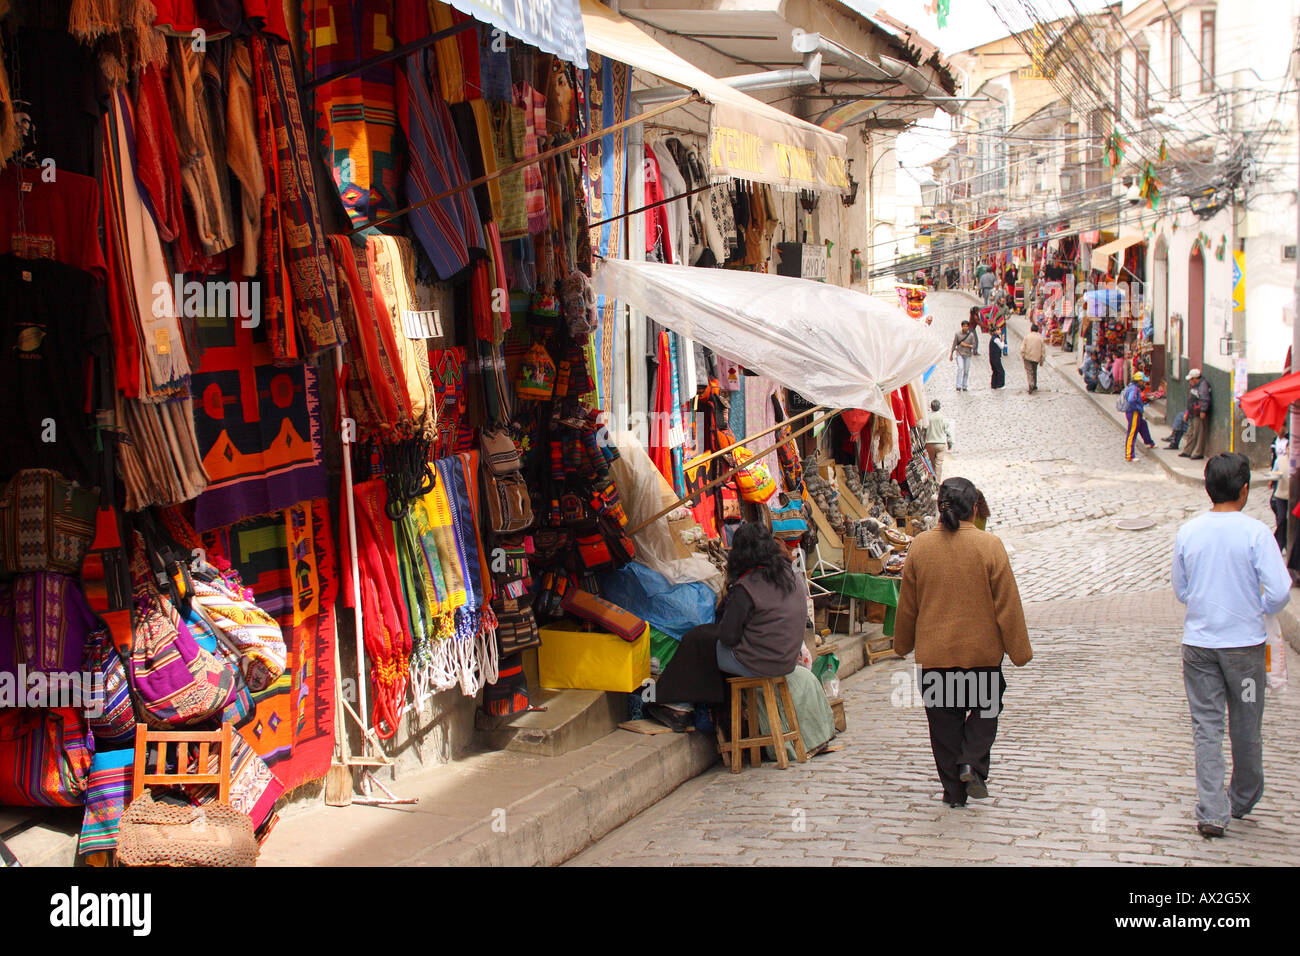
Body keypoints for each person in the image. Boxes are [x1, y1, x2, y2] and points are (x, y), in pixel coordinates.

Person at [894, 478, 1032, 808]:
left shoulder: (921, 547)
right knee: (986, 710)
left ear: (940, 508)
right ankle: (971, 763)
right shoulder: (990, 546)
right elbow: (1008, 604)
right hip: (981, 655)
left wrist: (902, 644)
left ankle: (954, 793)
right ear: (974, 509)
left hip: (937, 659)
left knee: (944, 728)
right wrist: (1019, 651)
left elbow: (908, 603)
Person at [1172, 453, 1290, 838]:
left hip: (1200, 647)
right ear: (1244, 491)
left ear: (1208, 490)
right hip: (1245, 650)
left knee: (1206, 726)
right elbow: (1279, 591)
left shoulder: (1189, 532)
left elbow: (1182, 589)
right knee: (1246, 723)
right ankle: (1242, 796)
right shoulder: (1256, 534)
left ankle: (1211, 809)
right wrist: (1259, 608)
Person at [649, 522, 808, 723]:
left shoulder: (748, 585)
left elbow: (728, 637)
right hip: (786, 660)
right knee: (705, 638)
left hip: (760, 662)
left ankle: (677, 707)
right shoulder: (791, 574)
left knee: (698, 640)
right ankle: (695, 707)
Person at [1122, 371, 1156, 461]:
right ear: (1139, 381)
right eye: (1142, 381)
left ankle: (1149, 442)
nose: (1144, 383)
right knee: (1132, 433)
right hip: (1134, 413)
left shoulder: (1131, 387)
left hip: (1134, 413)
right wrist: (1137, 408)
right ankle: (1129, 455)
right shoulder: (1135, 389)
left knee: (1143, 425)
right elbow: (1131, 400)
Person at [1180, 368, 1212, 460]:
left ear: (1195, 378)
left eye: (1191, 379)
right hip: (1193, 412)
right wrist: (1187, 412)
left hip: (1198, 413)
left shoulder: (1203, 386)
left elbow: (1205, 399)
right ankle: (1187, 451)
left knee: (1199, 433)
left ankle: (1199, 452)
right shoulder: (1195, 386)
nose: (1190, 381)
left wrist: (1203, 411)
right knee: (1191, 432)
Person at [1269, 429, 1289, 553]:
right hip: (1281, 494)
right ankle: (1278, 543)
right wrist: (1272, 480)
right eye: (1289, 449)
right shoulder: (1279, 461)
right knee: (1281, 518)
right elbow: (1274, 473)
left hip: (1293, 496)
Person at [924, 399, 954, 480]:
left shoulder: (928, 418)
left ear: (931, 407)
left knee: (932, 463)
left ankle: (933, 480)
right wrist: (950, 443)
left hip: (929, 443)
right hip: (940, 443)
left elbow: (923, 430)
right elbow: (948, 431)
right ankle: (937, 481)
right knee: (939, 464)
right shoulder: (942, 417)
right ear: (939, 407)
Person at [950, 319, 976, 392]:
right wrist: (951, 353)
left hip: (967, 354)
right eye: (964, 326)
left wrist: (967, 345)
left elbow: (974, 345)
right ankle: (958, 386)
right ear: (962, 326)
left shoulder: (971, 335)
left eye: (966, 326)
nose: (965, 328)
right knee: (960, 368)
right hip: (959, 353)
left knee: (966, 371)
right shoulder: (957, 334)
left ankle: (964, 385)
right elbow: (954, 344)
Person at [1020, 322, 1045, 393]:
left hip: (1027, 357)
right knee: (1034, 371)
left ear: (1031, 330)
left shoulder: (1027, 337)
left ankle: (1031, 384)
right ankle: (1034, 384)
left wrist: (1023, 355)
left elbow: (1022, 348)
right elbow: (1043, 350)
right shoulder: (1040, 338)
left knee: (1029, 371)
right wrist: (1042, 360)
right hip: (1036, 357)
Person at [988, 322, 1006, 390]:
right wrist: (1003, 340)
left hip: (992, 357)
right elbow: (1001, 346)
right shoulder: (996, 339)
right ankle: (1000, 384)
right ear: (995, 331)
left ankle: (994, 384)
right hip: (995, 357)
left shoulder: (994, 338)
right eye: (999, 330)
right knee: (1000, 371)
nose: (1000, 331)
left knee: (995, 371)